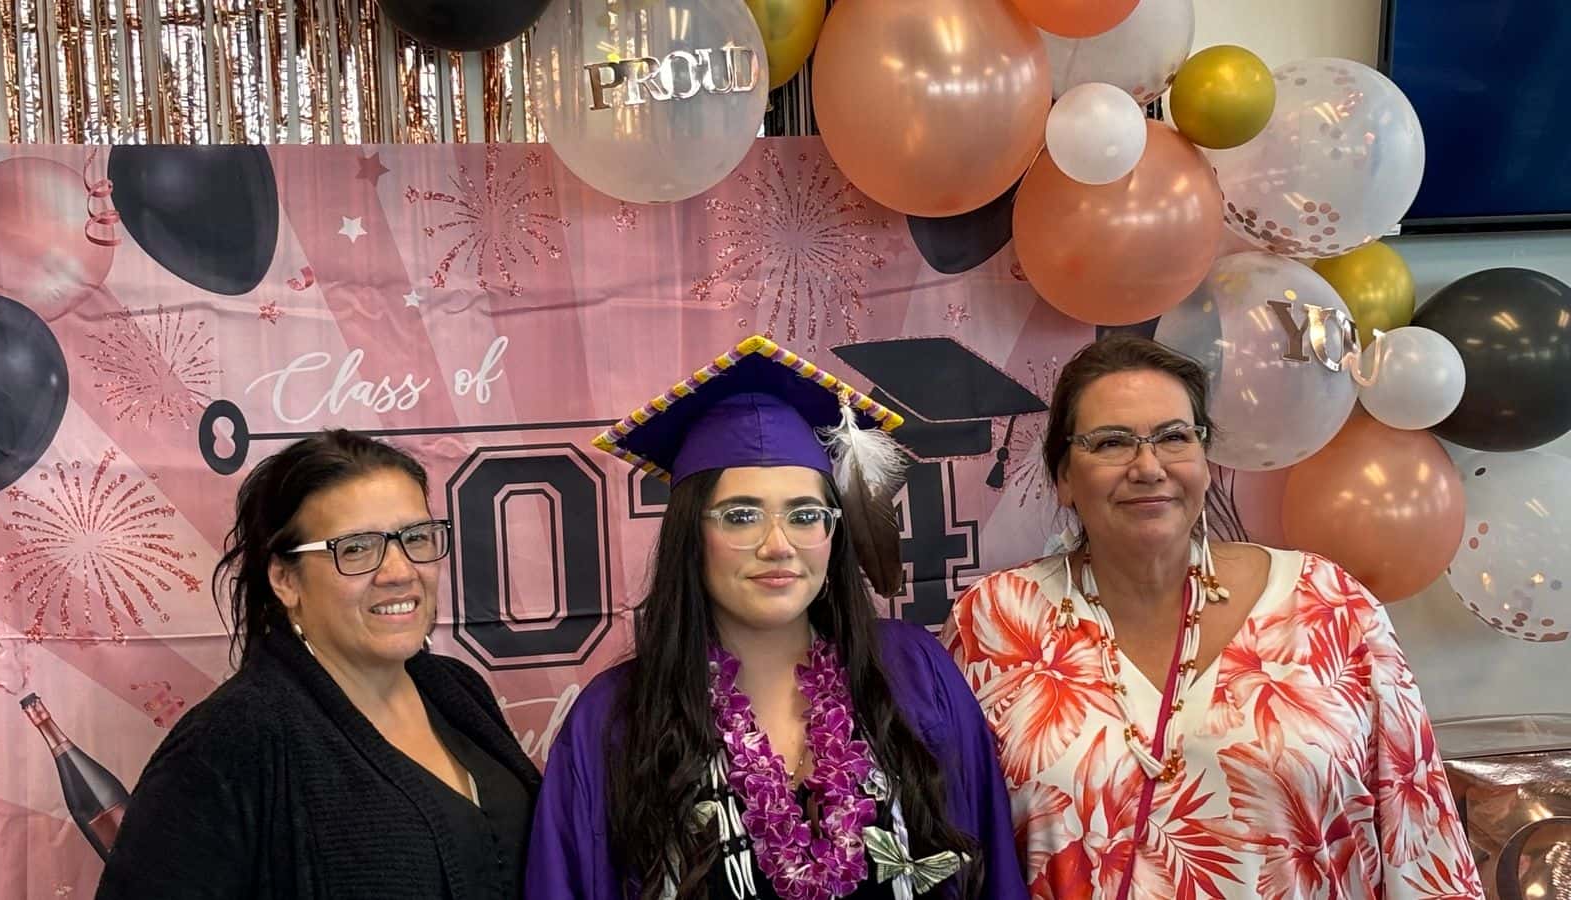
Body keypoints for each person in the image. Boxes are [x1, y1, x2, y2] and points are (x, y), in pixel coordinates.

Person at [943, 335, 1482, 899]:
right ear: (1064, 477)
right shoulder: (993, 621)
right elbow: (956, 846)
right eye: (1110, 443)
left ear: (1204, 458)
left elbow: (1420, 841)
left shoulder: (1327, 603)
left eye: (1175, 437)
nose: (1148, 467)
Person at [527, 335, 1023, 899]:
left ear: (832, 535)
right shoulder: (613, 721)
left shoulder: (913, 673)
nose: (778, 545)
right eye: (741, 516)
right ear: (692, 535)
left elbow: (992, 871)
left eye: (805, 514)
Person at [97, 430, 541, 899]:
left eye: (415, 537)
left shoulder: (456, 690)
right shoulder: (233, 739)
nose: (399, 571)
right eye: (355, 548)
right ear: (285, 580)